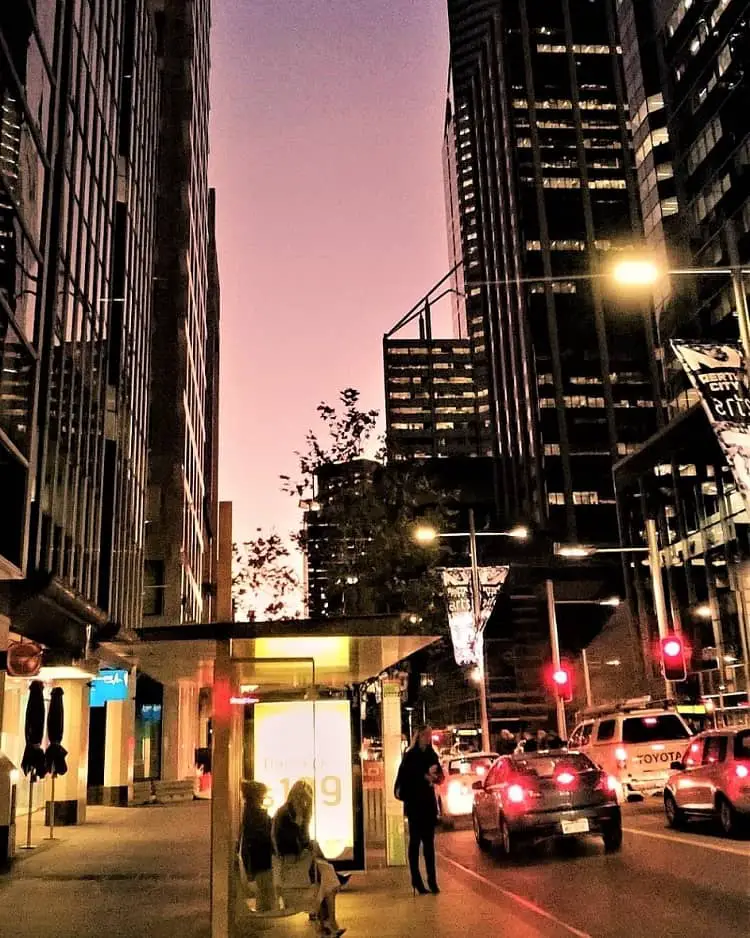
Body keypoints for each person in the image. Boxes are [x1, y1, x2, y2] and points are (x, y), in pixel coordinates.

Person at [272, 779, 345, 938]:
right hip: (293, 864)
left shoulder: (294, 814)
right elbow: (290, 845)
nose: (305, 803)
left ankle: (328, 923)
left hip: (300, 862)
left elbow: (302, 841)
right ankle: (329, 922)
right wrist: (305, 839)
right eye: (303, 799)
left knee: (328, 880)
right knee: (328, 878)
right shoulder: (287, 816)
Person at [394, 724, 444, 895]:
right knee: (415, 842)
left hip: (428, 805)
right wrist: (425, 776)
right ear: (419, 736)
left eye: (430, 735)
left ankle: (432, 880)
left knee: (429, 845)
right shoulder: (410, 756)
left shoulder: (431, 754)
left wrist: (435, 777)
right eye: (426, 735)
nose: (428, 738)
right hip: (415, 804)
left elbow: (440, 776)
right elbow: (405, 778)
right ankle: (416, 880)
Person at [238, 780, 276, 912]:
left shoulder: (248, 813)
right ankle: (266, 918)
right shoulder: (257, 815)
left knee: (263, 891)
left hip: (256, 859)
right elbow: (265, 836)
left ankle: (264, 915)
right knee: (267, 891)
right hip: (262, 859)